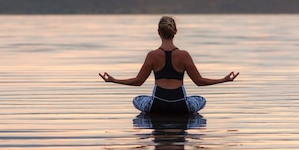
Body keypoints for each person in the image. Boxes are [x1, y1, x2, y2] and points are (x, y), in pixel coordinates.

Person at [99, 16, 239, 114]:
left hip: (157, 104)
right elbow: (199, 82)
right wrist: (224, 79)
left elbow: (138, 82)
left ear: (158, 32)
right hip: (180, 105)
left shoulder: (152, 55)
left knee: (137, 99)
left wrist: (113, 80)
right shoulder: (184, 55)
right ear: (175, 32)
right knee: (201, 99)